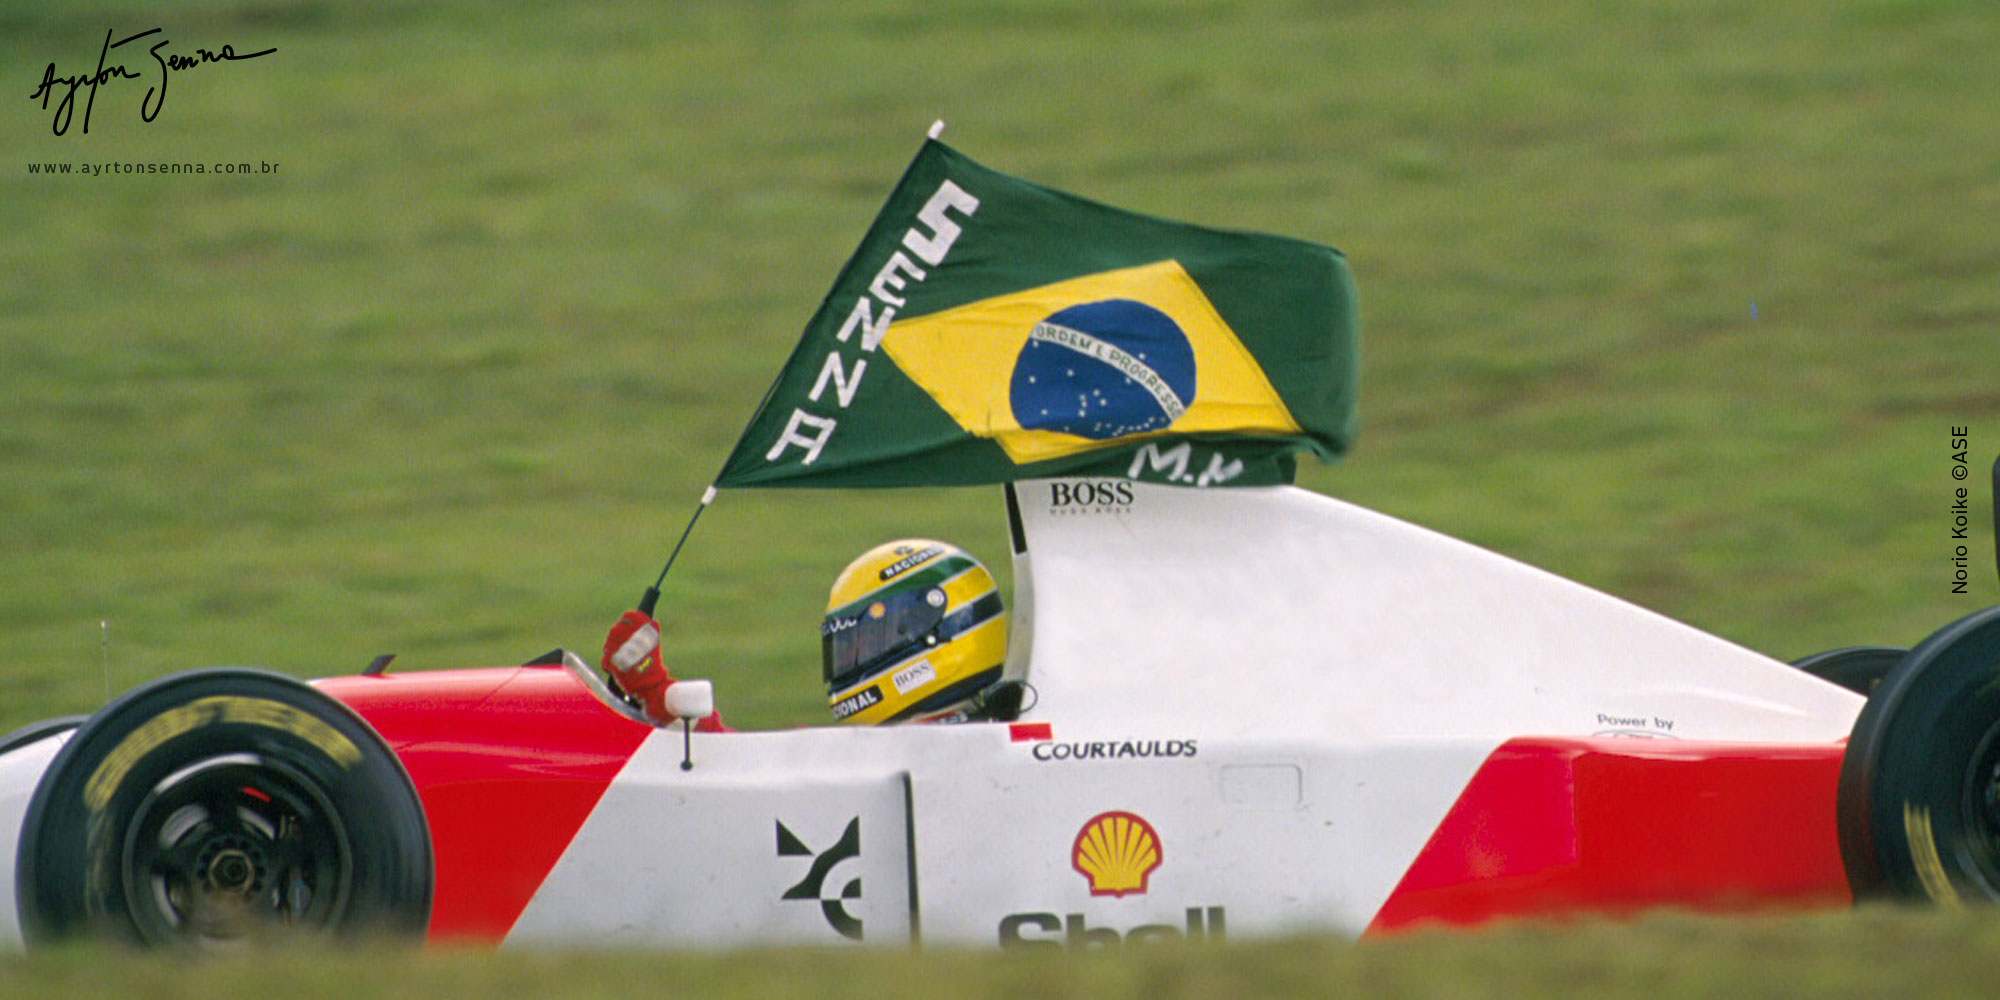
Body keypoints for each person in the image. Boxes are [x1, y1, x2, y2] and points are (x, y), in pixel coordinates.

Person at [601, 538, 1022, 728]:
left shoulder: (957, 752)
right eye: (846, 643)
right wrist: (656, 694)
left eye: (868, 638)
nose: (852, 654)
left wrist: (658, 693)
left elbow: (759, 794)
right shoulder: (931, 743)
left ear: (934, 631)